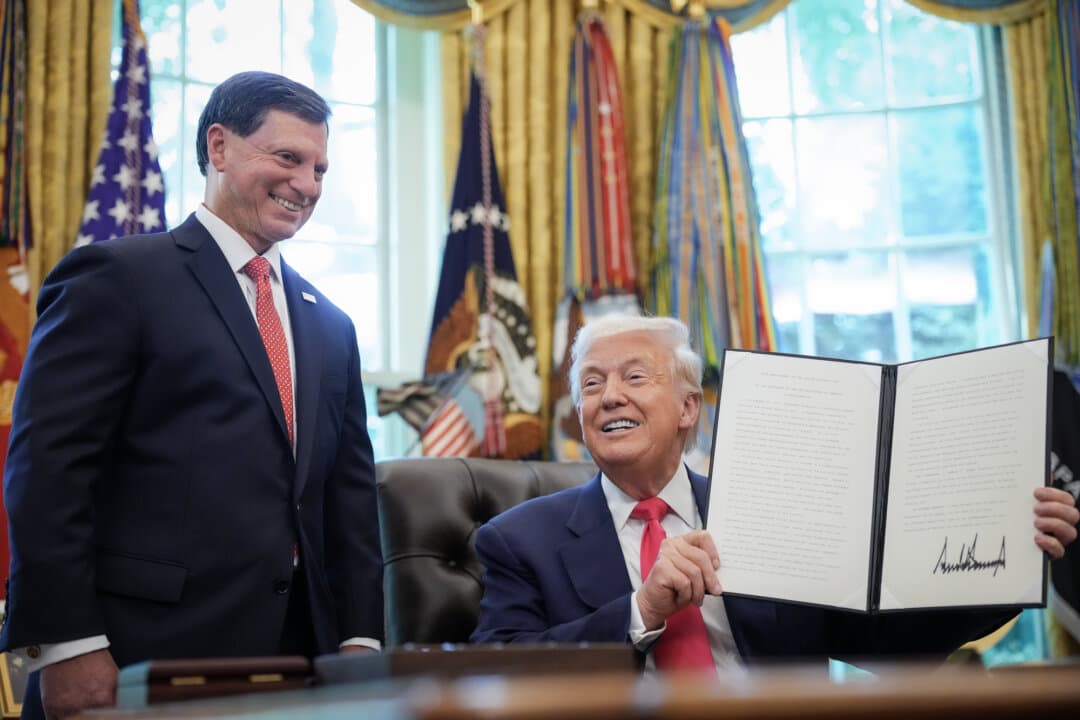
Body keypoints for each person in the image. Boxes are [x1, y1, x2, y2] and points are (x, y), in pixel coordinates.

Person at [0, 71, 383, 719]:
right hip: (138, 653)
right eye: (288, 158)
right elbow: (49, 473)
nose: (308, 185)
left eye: (320, 167)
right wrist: (67, 645)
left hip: (305, 663)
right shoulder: (116, 280)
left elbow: (347, 502)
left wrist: (360, 638)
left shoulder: (331, 325)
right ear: (220, 147)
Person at [470, 314, 1080, 670]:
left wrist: (1011, 563)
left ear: (689, 408)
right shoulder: (518, 541)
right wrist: (643, 611)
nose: (609, 397)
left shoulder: (775, 509)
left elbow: (882, 641)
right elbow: (493, 673)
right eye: (591, 385)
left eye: (634, 377)